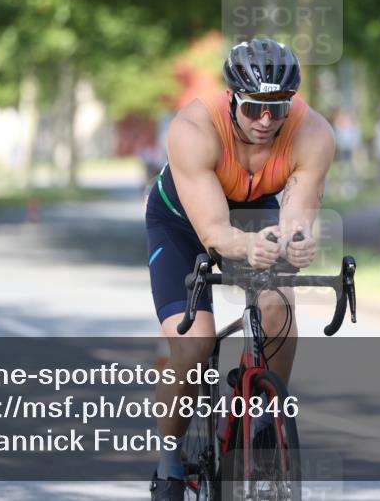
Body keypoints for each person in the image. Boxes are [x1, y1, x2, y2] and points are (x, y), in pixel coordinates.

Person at [146, 38, 335, 499]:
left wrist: (298, 240)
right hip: (184, 225)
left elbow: (297, 214)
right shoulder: (193, 129)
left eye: (277, 108)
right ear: (233, 99)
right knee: (194, 346)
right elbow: (213, 233)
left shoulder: (314, 133)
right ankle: (169, 463)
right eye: (254, 108)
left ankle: (267, 416)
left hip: (253, 211)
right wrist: (248, 246)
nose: (266, 121)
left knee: (279, 307)